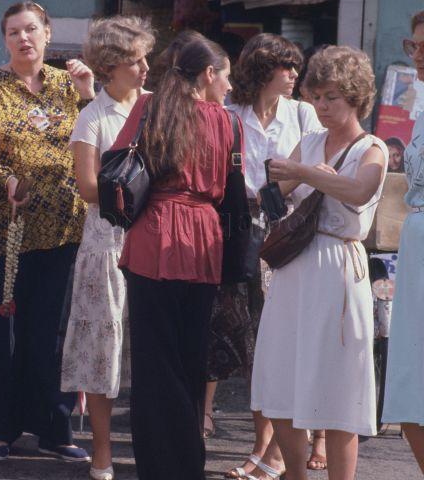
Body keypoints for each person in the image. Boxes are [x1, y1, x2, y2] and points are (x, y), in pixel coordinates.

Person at [0, 1, 94, 462]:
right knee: (0, 333)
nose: (23, 39)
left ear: (47, 33)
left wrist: (91, 96)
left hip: (61, 229)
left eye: (31, 29)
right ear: (5, 39)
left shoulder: (69, 87)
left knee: (48, 332)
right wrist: (4, 178)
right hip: (0, 232)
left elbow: (100, 144)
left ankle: (54, 427)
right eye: (13, 32)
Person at [251, 46, 387, 480]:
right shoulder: (309, 142)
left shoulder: (373, 147)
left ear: (357, 97)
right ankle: (295, 474)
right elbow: (276, 191)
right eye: (317, 96)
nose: (323, 106)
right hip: (295, 268)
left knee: (339, 390)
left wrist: (304, 172)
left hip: (339, 267)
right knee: (284, 382)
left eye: (333, 97)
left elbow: (359, 191)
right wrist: (273, 182)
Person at [110, 34, 234, 480]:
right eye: (225, 77)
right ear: (207, 74)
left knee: (152, 362)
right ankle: (188, 465)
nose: (228, 87)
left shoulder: (151, 108)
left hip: (152, 235)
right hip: (202, 240)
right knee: (190, 360)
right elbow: (231, 185)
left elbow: (114, 164)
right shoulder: (224, 121)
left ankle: (158, 468)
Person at [221, 33, 322, 480]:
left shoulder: (301, 114)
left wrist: (275, 191)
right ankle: (264, 447)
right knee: (255, 348)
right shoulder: (231, 115)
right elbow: (222, 175)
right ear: (264, 70)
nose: (294, 76)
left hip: (291, 241)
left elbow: (316, 173)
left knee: (286, 345)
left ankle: (272, 452)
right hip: (245, 239)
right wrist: (256, 194)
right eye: (287, 68)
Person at [59, 15, 154, 480]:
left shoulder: (156, 107)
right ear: (111, 66)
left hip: (154, 239)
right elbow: (88, 189)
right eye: (135, 61)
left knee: (149, 349)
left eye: (144, 58)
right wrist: (140, 184)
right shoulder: (91, 117)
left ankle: (149, 448)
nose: (145, 68)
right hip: (107, 242)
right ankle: (101, 450)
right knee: (102, 351)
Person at [382, 10, 424, 474]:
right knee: (411, 387)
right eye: (414, 46)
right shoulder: (421, 106)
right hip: (416, 247)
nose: (418, 56)